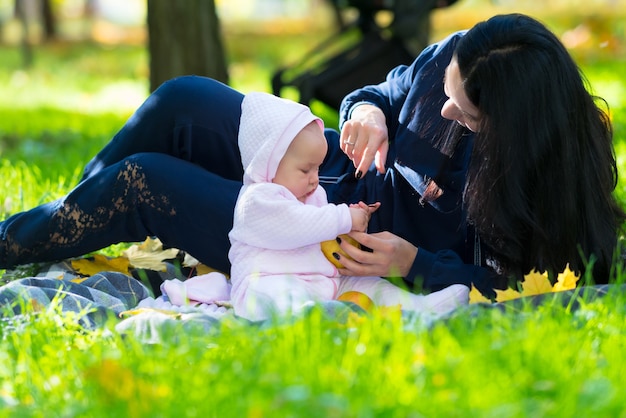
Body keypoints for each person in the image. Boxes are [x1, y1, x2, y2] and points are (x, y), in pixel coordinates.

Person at [0, 13, 623, 300]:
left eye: (467, 113)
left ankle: (11, 242)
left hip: (322, 237)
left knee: (144, 184)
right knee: (179, 101)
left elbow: (520, 288)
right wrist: (368, 112)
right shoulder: (464, 58)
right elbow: (381, 89)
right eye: (449, 94)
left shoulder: (550, 192)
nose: (447, 113)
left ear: (515, 126)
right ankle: (74, 218)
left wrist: (419, 264)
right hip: (324, 160)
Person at [228, 91, 468, 319]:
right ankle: (307, 316)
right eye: (305, 169)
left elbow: (324, 236)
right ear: (268, 162)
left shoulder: (311, 192)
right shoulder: (256, 200)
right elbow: (299, 223)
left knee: (370, 284)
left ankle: (418, 308)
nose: (315, 177)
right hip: (269, 277)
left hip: (326, 279)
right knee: (279, 294)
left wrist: (354, 221)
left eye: (318, 168)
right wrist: (343, 217)